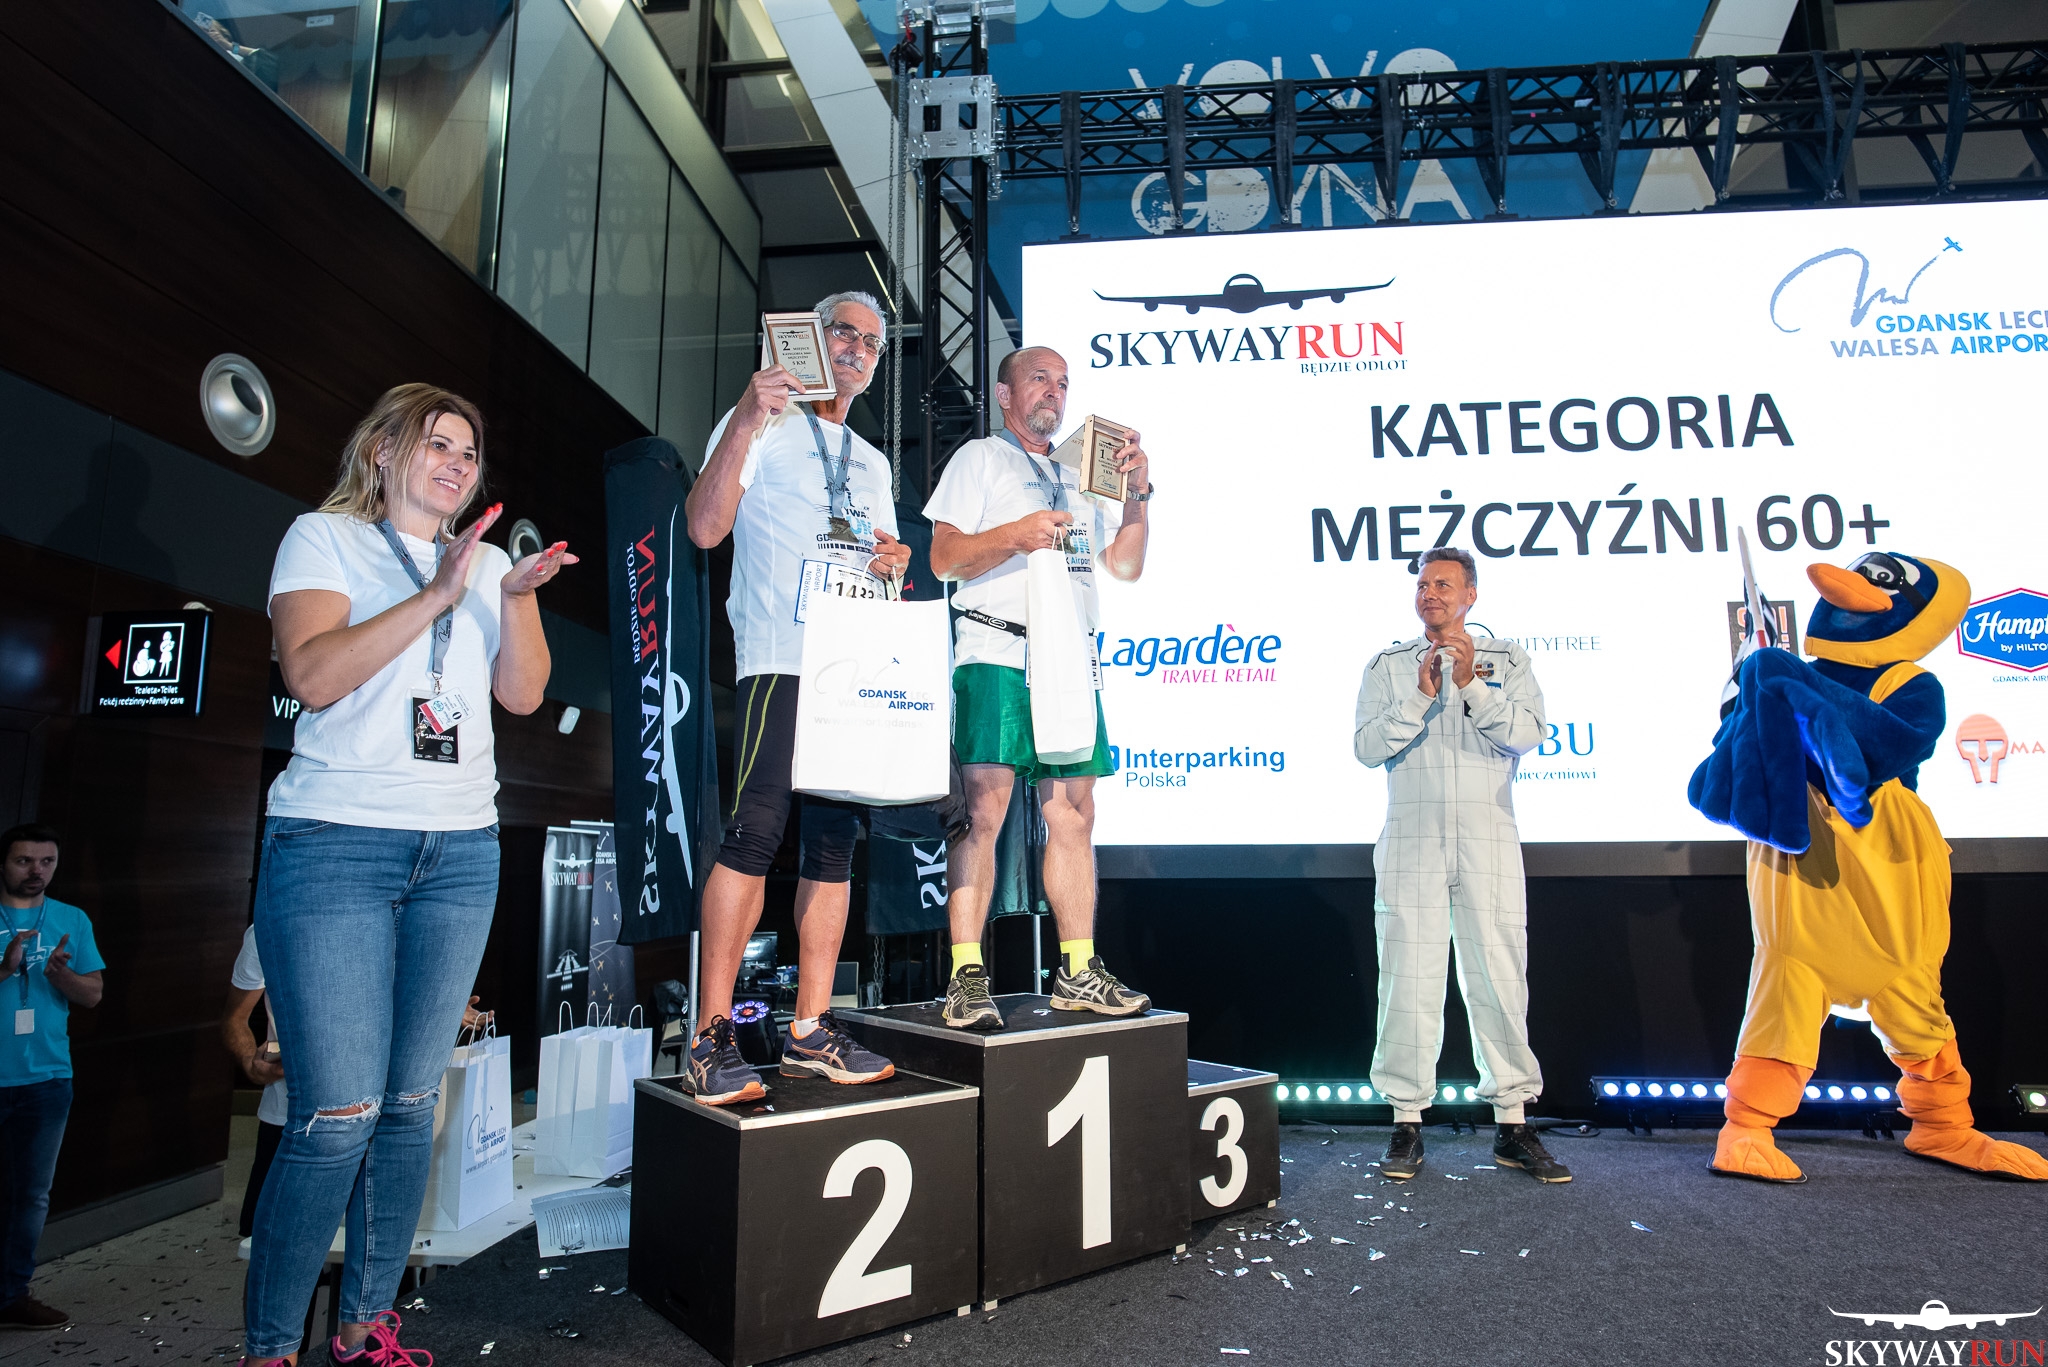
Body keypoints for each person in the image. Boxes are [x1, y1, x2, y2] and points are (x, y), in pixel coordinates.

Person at [246, 383, 573, 1367]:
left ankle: (363, 1327)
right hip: (336, 842)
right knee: (336, 1112)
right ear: (383, 451)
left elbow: (524, 693)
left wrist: (511, 596)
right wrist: (433, 594)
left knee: (406, 1108)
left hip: (460, 850)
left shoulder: (487, 565)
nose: (457, 463)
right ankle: (270, 1347)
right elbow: (311, 675)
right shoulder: (325, 538)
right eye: (437, 443)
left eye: (468, 452)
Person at [682, 291, 910, 1105]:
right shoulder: (761, 421)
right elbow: (704, 527)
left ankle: (810, 1028)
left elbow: (885, 561)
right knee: (753, 832)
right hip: (780, 661)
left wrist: (893, 563)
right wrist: (748, 415)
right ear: (810, 339)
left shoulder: (874, 463)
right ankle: (709, 1035)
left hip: (852, 670)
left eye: (871, 342)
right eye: (843, 331)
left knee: (833, 851)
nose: (856, 348)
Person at [924, 346, 1155, 1031]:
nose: (1053, 391)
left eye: (1062, 383)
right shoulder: (981, 459)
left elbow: (1125, 565)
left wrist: (1137, 495)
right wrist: (1017, 536)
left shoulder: (1082, 476)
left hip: (1070, 662)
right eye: (1038, 379)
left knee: (1075, 815)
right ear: (1005, 395)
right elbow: (943, 558)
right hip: (997, 650)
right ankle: (967, 976)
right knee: (983, 812)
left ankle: (1078, 970)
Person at [1353, 548, 1569, 1183]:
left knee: (1500, 975)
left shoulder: (1508, 659)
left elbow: (1528, 734)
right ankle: (1406, 1122)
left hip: (1488, 838)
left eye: (1443, 584)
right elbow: (1365, 747)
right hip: (1411, 839)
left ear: (1470, 595)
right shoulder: (1389, 665)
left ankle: (1513, 1122)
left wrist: (1472, 683)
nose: (1430, 594)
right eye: (1423, 584)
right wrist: (1420, 697)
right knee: (1408, 980)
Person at [223, 915, 498, 1240]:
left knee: (376, 1243)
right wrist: (250, 1063)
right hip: (291, 1116)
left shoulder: (400, 923)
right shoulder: (270, 927)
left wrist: (442, 1009)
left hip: (384, 1116)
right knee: (269, 1242)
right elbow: (235, 1019)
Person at [0, 826, 104, 1333]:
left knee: (31, 1196)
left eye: (47, 861)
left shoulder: (71, 919)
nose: (36, 871)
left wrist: (60, 975)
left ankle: (11, 1295)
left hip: (46, 1078)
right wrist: (4, 970)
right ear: (3, 864)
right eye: (24, 861)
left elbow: (92, 995)